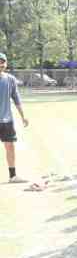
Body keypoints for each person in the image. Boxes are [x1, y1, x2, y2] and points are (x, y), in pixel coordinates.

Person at [0, 53, 29, 183]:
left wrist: (23, 116)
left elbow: (16, 99)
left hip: (7, 120)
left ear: (5, 64)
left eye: (2, 62)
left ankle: (13, 176)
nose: (0, 64)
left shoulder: (10, 79)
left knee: (10, 147)